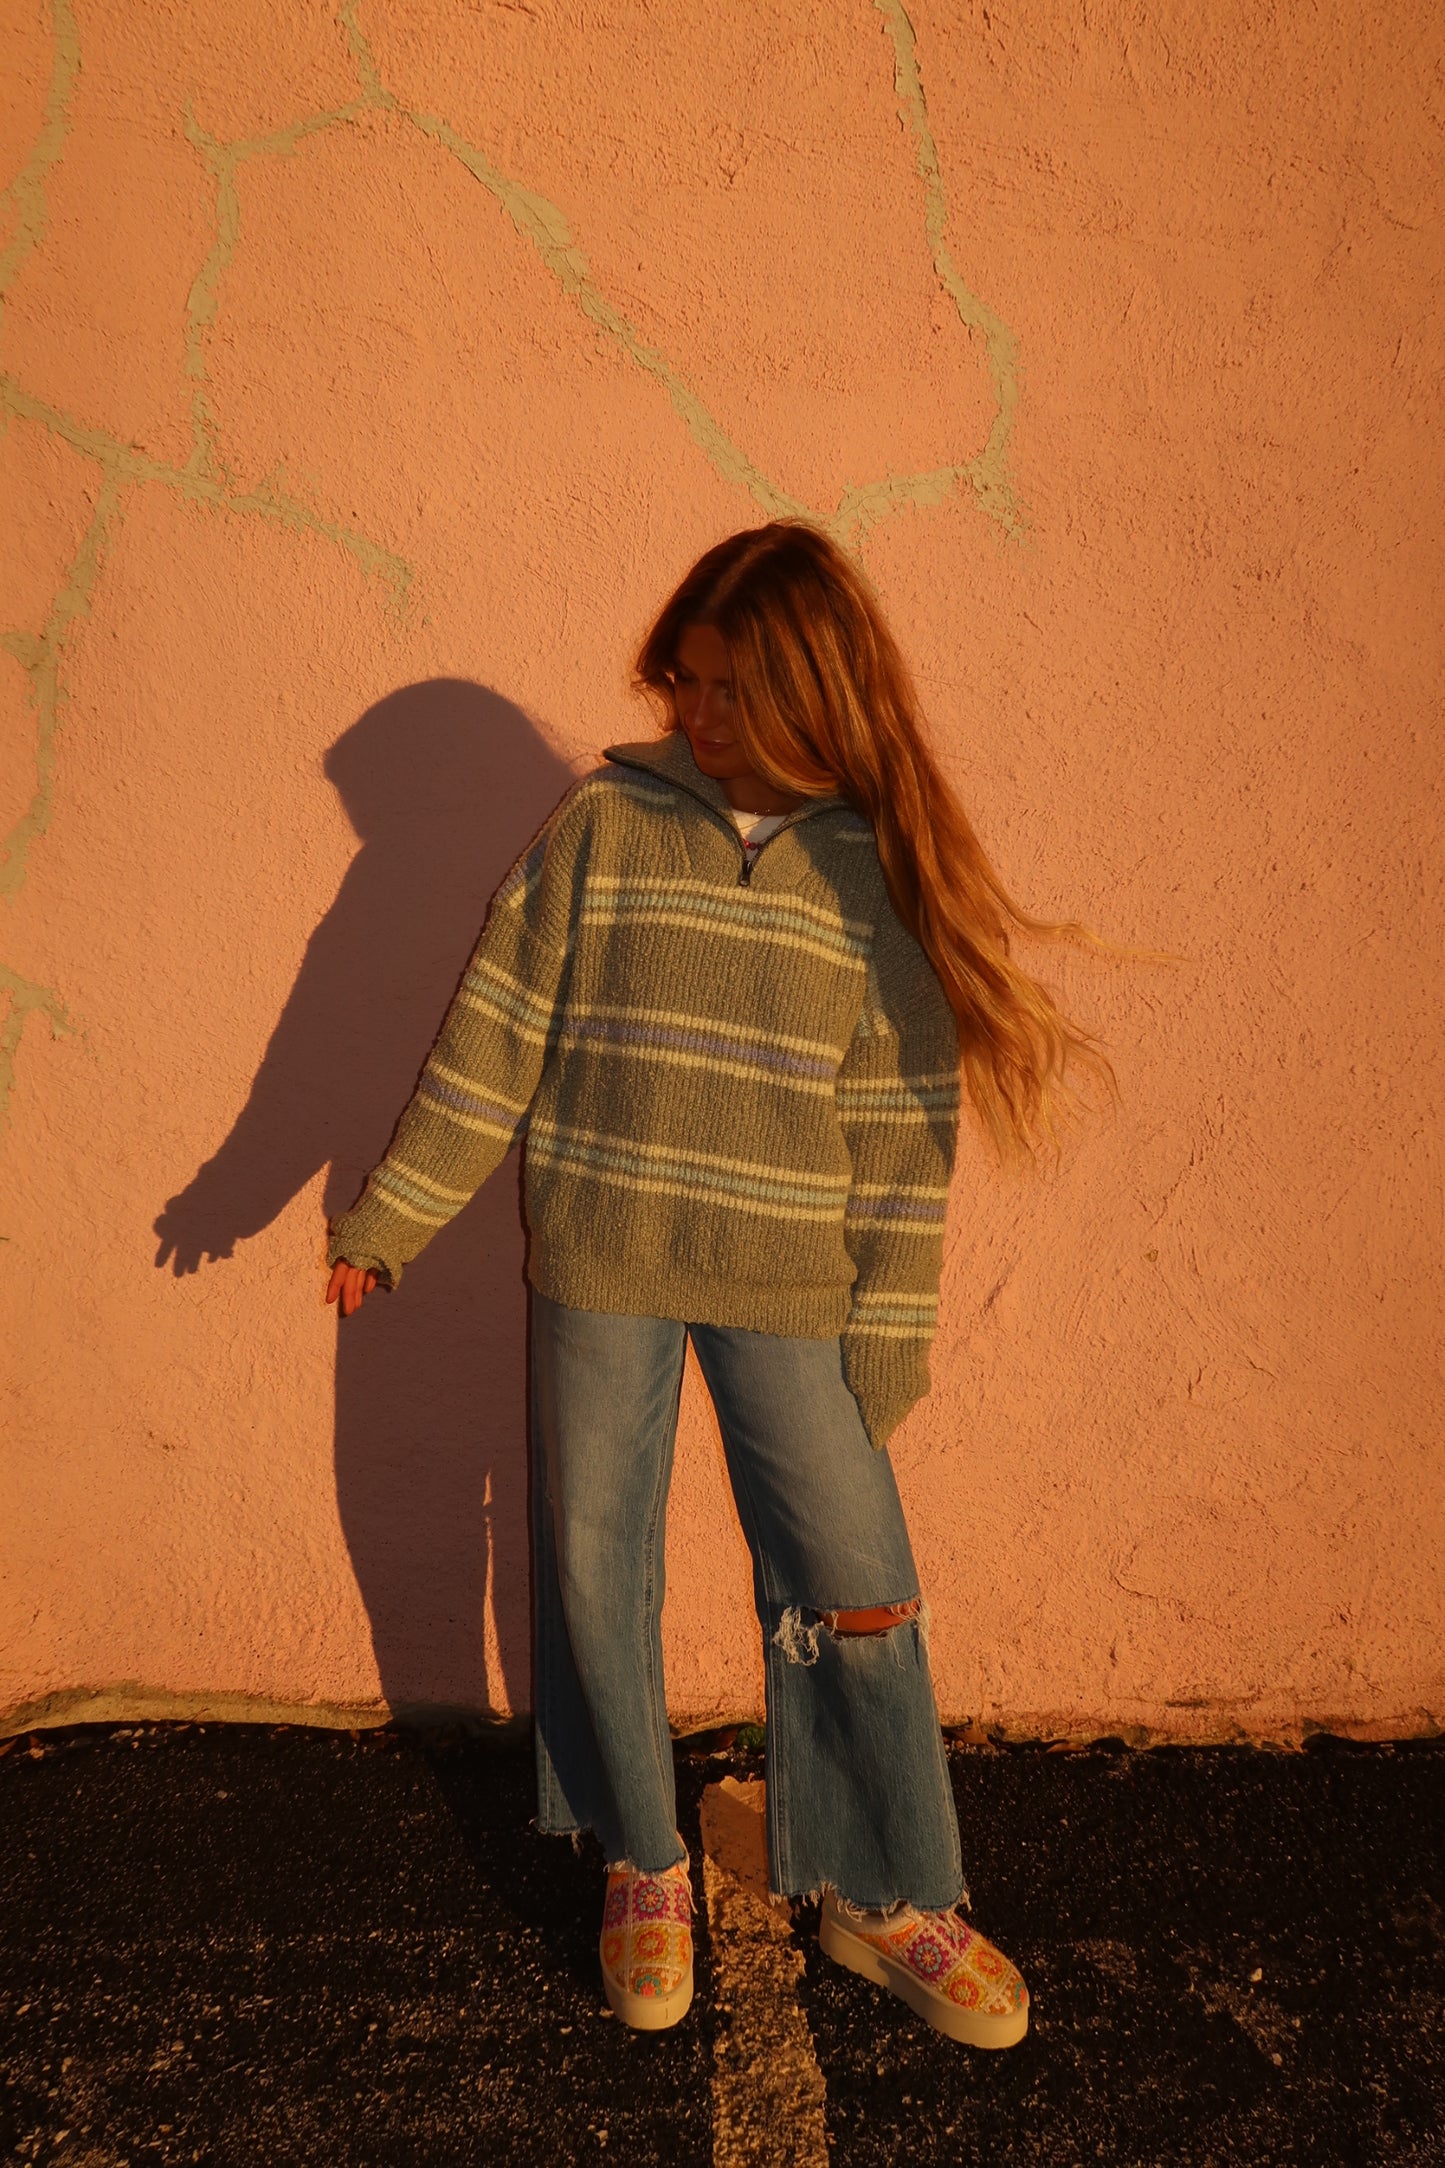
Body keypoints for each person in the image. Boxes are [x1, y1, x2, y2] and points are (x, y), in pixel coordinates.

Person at [324, 519, 1120, 2050]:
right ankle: (641, 1857)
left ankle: (878, 1888)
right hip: (604, 1257)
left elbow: (900, 1129)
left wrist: (887, 1329)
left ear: (811, 688)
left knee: (850, 1584)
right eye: (682, 683)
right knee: (593, 1560)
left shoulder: (868, 867)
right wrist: (391, 1218)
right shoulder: (603, 824)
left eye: (727, 689)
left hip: (791, 1281)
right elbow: (497, 1029)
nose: (693, 713)